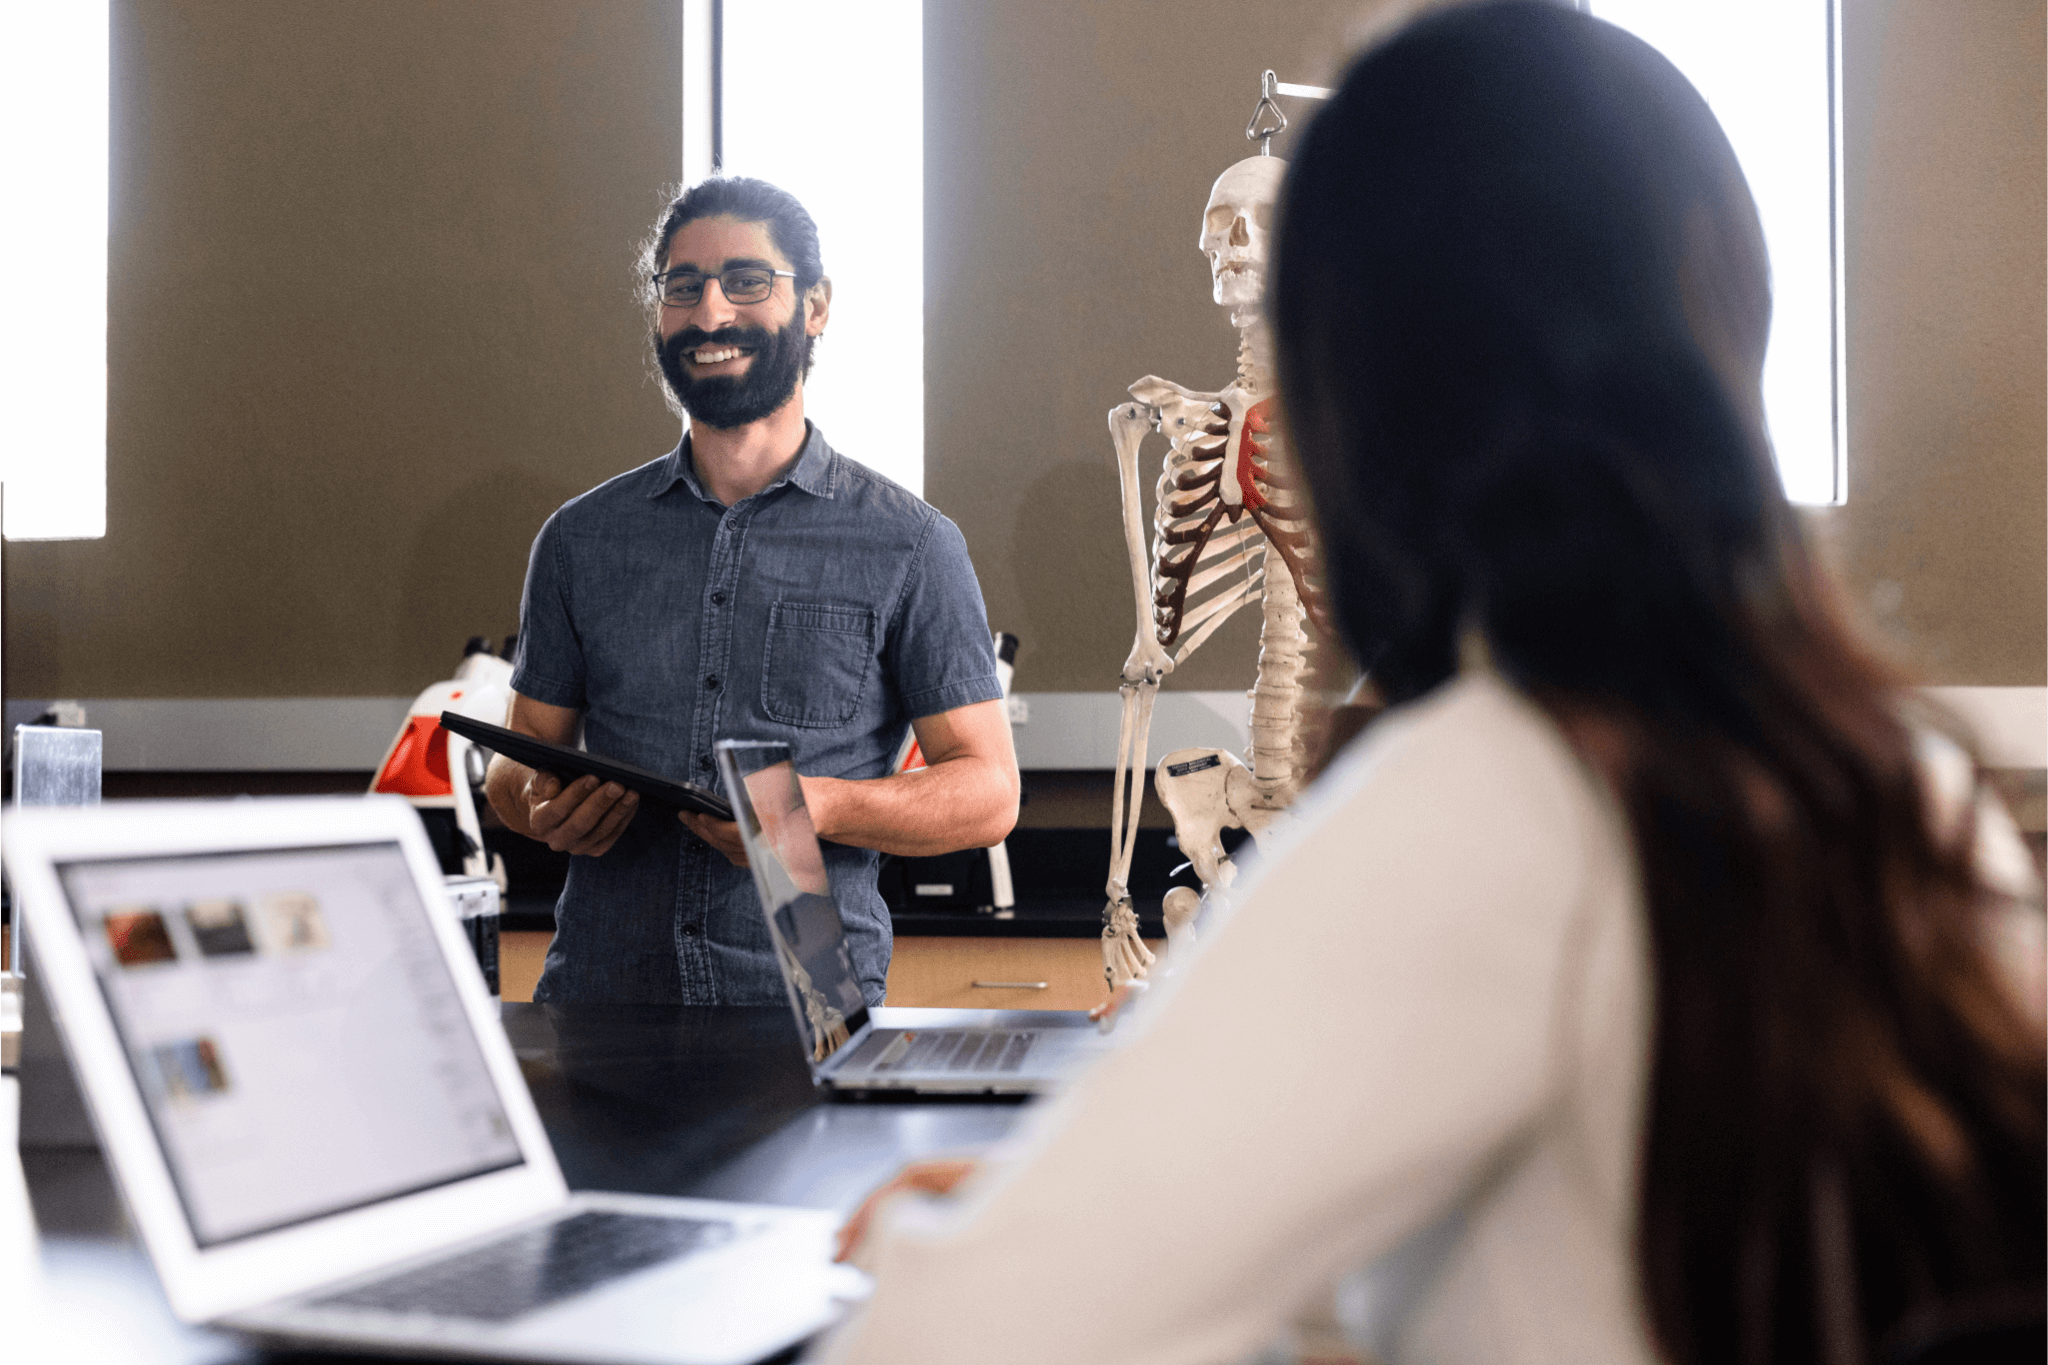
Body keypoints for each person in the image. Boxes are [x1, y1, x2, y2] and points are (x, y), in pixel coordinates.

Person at [819, 5, 2047, 1363]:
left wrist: (992, 1250)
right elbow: (1598, 1248)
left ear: (1359, 383)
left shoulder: (1495, 800)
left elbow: (943, 1343)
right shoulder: (1905, 784)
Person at [485, 177, 1018, 1006]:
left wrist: (816, 807)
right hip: (600, 999)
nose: (709, 314)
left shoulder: (910, 543)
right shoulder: (579, 541)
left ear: (815, 306)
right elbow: (515, 768)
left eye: (747, 281)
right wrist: (537, 804)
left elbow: (988, 791)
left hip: (810, 1000)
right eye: (683, 286)